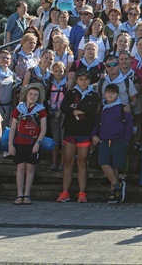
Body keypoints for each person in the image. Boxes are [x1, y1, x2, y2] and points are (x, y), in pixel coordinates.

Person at [57, 69, 100, 203]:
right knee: (68, 161)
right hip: (70, 130)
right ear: (76, 80)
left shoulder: (93, 94)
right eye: (80, 79)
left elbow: (91, 108)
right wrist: (79, 109)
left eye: (86, 79)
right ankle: (65, 191)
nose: (83, 82)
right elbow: (64, 108)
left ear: (89, 80)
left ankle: (82, 192)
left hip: (85, 131)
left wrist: (75, 107)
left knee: (82, 162)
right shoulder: (71, 93)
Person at [92, 83, 133, 203]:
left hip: (118, 140)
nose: (110, 94)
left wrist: (126, 140)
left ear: (117, 94)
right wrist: (94, 135)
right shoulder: (101, 108)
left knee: (115, 166)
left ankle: (114, 192)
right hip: (104, 140)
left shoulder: (122, 108)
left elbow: (129, 125)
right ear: (104, 94)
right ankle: (117, 185)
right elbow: (96, 124)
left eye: (113, 92)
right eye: (108, 92)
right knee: (104, 163)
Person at [8, 84, 47, 205]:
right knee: (20, 168)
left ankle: (27, 194)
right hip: (20, 142)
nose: (33, 96)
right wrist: (10, 144)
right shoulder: (19, 109)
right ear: (26, 95)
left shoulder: (41, 110)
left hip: (33, 142)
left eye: (36, 94)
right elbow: (13, 128)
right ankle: (19, 193)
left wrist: (38, 144)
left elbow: (44, 129)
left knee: (30, 168)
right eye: (31, 94)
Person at [45, 60, 68, 171]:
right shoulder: (50, 83)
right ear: (52, 71)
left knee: (63, 139)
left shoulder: (67, 84)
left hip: (63, 113)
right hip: (53, 113)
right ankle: (54, 163)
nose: (58, 73)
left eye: (61, 71)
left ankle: (62, 163)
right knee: (55, 139)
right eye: (56, 71)